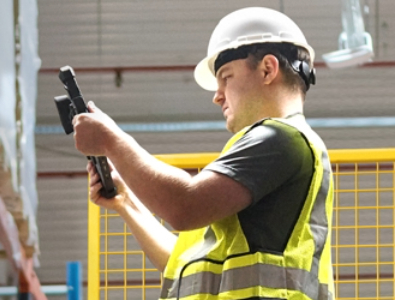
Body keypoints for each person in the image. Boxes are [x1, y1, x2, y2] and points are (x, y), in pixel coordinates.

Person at [73, 7, 335, 300]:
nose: (217, 95)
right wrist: (126, 201)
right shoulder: (272, 150)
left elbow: (184, 205)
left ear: (267, 69)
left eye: (226, 76)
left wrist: (111, 141)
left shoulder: (281, 139)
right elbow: (185, 263)